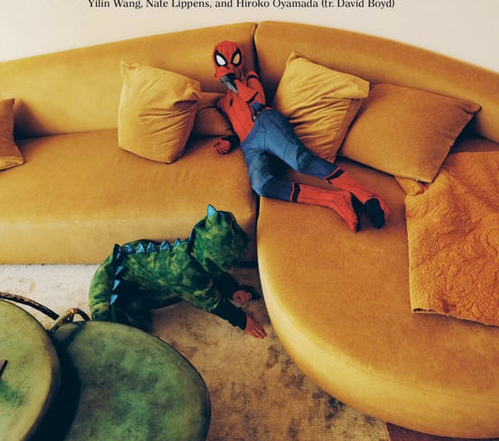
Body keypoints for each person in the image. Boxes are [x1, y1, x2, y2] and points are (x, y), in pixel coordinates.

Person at [212, 40, 389, 232]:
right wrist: (229, 140)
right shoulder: (222, 102)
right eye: (223, 62)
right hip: (249, 145)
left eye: (234, 60)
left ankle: (368, 197)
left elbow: (258, 102)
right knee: (261, 185)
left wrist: (234, 82)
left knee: (301, 161)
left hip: (266, 123)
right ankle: (334, 200)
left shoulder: (249, 77)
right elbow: (236, 124)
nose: (229, 66)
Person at [89, 205, 267, 339]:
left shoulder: (195, 250)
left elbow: (213, 270)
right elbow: (211, 302)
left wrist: (232, 289)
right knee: (115, 333)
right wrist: (243, 321)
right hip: (111, 285)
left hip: (134, 263)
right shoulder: (185, 272)